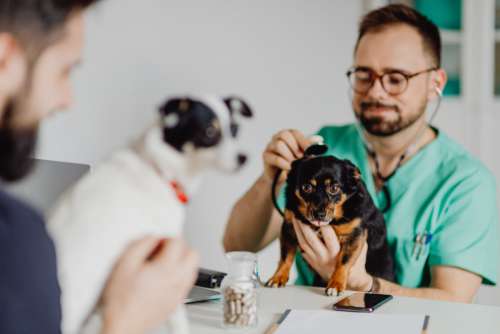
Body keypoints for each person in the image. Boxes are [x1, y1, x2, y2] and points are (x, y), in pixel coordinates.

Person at [223, 4, 499, 303]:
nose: (376, 92)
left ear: (436, 84)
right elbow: (238, 245)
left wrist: (363, 284)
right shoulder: (323, 147)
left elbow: (453, 302)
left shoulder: (467, 183)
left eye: (396, 78)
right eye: (364, 75)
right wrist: (270, 179)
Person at [0, 1, 198, 333]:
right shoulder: (15, 245)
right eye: (64, 70)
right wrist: (124, 321)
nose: (67, 99)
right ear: (4, 58)